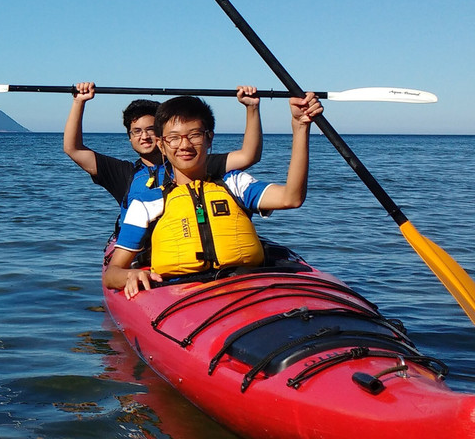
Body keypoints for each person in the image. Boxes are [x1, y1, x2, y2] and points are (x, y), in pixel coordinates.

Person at [103, 92, 323, 298]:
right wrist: (129, 276)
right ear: (162, 145)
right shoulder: (146, 203)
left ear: (209, 138)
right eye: (174, 138)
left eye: (194, 135)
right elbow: (112, 273)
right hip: (180, 294)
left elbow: (291, 198)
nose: (185, 145)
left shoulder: (235, 184)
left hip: (244, 286)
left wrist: (300, 127)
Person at [63, 83, 263, 237]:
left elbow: (249, 155)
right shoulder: (123, 173)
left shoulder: (191, 162)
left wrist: (251, 108)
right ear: (130, 137)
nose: (144, 137)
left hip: (185, 242)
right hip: (142, 253)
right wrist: (79, 102)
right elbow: (73, 149)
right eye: (136, 131)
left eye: (150, 130)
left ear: (161, 135)